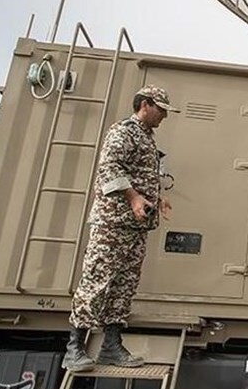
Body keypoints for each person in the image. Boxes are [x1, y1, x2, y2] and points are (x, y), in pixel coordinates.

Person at [62, 85, 180, 372]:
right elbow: (109, 168)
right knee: (97, 282)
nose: (164, 115)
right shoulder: (124, 131)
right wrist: (134, 197)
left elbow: (138, 176)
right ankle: (73, 348)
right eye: (161, 109)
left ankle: (111, 346)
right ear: (145, 105)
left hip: (134, 227)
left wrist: (156, 199)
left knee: (124, 286)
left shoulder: (146, 138)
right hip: (112, 224)